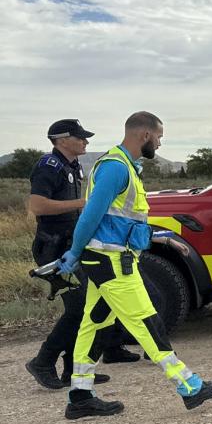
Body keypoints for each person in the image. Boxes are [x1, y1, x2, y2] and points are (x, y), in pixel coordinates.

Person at [57, 111, 212, 420]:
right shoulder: (115, 168)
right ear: (145, 135)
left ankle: (80, 396)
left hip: (106, 259)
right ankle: (189, 386)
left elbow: (124, 220)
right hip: (110, 262)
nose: (160, 143)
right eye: (159, 137)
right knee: (146, 322)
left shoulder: (125, 167)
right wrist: (73, 251)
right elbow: (90, 215)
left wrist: (163, 236)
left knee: (93, 324)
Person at [25, 119, 140, 391]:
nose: (85, 141)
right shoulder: (48, 167)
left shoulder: (72, 166)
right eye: (80, 137)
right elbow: (37, 206)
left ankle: (71, 369)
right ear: (62, 140)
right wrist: (83, 203)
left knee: (85, 306)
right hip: (53, 247)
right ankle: (43, 361)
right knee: (77, 308)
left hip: (68, 246)